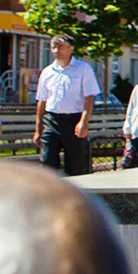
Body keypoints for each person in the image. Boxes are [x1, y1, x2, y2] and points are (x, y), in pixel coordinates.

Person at [34, 34, 101, 176]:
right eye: (54, 47)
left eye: (61, 47)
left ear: (71, 49)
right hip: (52, 120)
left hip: (74, 120)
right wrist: (38, 129)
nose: (57, 51)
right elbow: (42, 101)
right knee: (47, 162)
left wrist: (84, 121)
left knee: (75, 165)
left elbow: (89, 97)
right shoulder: (47, 72)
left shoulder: (83, 69)